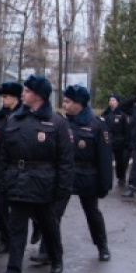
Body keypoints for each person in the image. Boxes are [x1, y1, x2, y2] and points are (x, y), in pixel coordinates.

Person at [0, 75, 73, 273]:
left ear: (38, 95)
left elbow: (65, 160)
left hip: (44, 184)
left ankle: (56, 259)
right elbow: (4, 155)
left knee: (49, 225)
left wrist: (62, 189)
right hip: (18, 181)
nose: (23, 94)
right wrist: (3, 181)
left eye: (27, 91)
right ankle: (13, 271)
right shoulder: (14, 120)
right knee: (16, 227)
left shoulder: (57, 123)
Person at [53, 85, 112, 261]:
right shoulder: (61, 123)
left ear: (79, 104)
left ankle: (102, 246)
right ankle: (47, 250)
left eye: (68, 101)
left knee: (92, 213)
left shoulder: (96, 125)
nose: (64, 104)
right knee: (54, 214)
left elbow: (104, 158)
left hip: (87, 176)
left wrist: (104, 184)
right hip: (66, 174)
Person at [0, 80, 23, 255]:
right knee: (2, 206)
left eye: (7, 97)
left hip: (19, 167)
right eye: (2, 96)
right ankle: (5, 239)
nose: (3, 100)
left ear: (16, 98)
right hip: (2, 167)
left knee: (21, 207)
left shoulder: (23, 116)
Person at [100, 93, 130, 187]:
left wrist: (126, 142)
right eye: (110, 100)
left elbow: (126, 130)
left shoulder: (122, 115)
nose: (111, 102)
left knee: (119, 161)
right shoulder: (105, 114)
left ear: (117, 102)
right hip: (107, 140)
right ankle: (106, 178)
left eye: (113, 100)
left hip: (119, 141)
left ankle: (121, 177)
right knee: (106, 160)